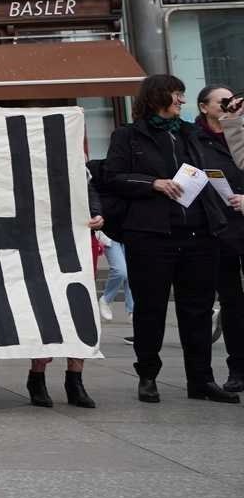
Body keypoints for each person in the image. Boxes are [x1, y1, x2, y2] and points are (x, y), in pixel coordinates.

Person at [101, 74, 237, 403]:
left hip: (199, 232)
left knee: (198, 309)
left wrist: (235, 116)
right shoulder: (128, 136)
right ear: (158, 96)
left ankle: (201, 380)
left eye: (182, 95)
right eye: (177, 94)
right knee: (151, 308)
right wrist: (154, 184)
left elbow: (228, 151)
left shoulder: (192, 133)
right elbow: (112, 177)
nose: (181, 101)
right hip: (151, 235)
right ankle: (148, 375)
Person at [27, 156, 104, 410]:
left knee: (80, 309)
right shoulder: (34, 163)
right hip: (45, 244)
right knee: (46, 308)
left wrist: (97, 214)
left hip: (78, 242)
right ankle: (37, 376)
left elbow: (90, 192)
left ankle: (75, 379)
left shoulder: (78, 163)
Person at [192, 86, 244, 392]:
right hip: (219, 229)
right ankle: (237, 366)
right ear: (204, 107)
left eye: (232, 100)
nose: (230, 105)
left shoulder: (238, 131)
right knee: (231, 303)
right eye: (222, 101)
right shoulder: (194, 139)